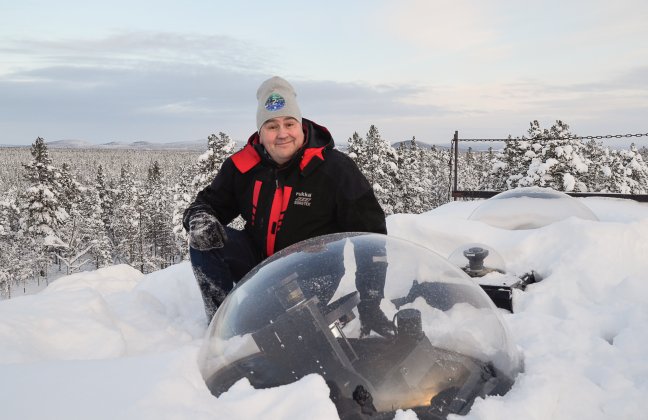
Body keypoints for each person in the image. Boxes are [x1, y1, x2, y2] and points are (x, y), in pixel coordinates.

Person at [183, 76, 393, 336]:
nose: (282, 133)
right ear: (261, 132)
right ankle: (220, 327)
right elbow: (207, 205)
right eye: (271, 126)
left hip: (313, 270)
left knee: (268, 330)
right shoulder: (243, 166)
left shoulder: (335, 170)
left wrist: (371, 304)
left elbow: (370, 238)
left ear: (301, 126)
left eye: (289, 123)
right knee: (204, 238)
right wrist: (200, 219)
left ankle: (250, 322)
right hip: (258, 265)